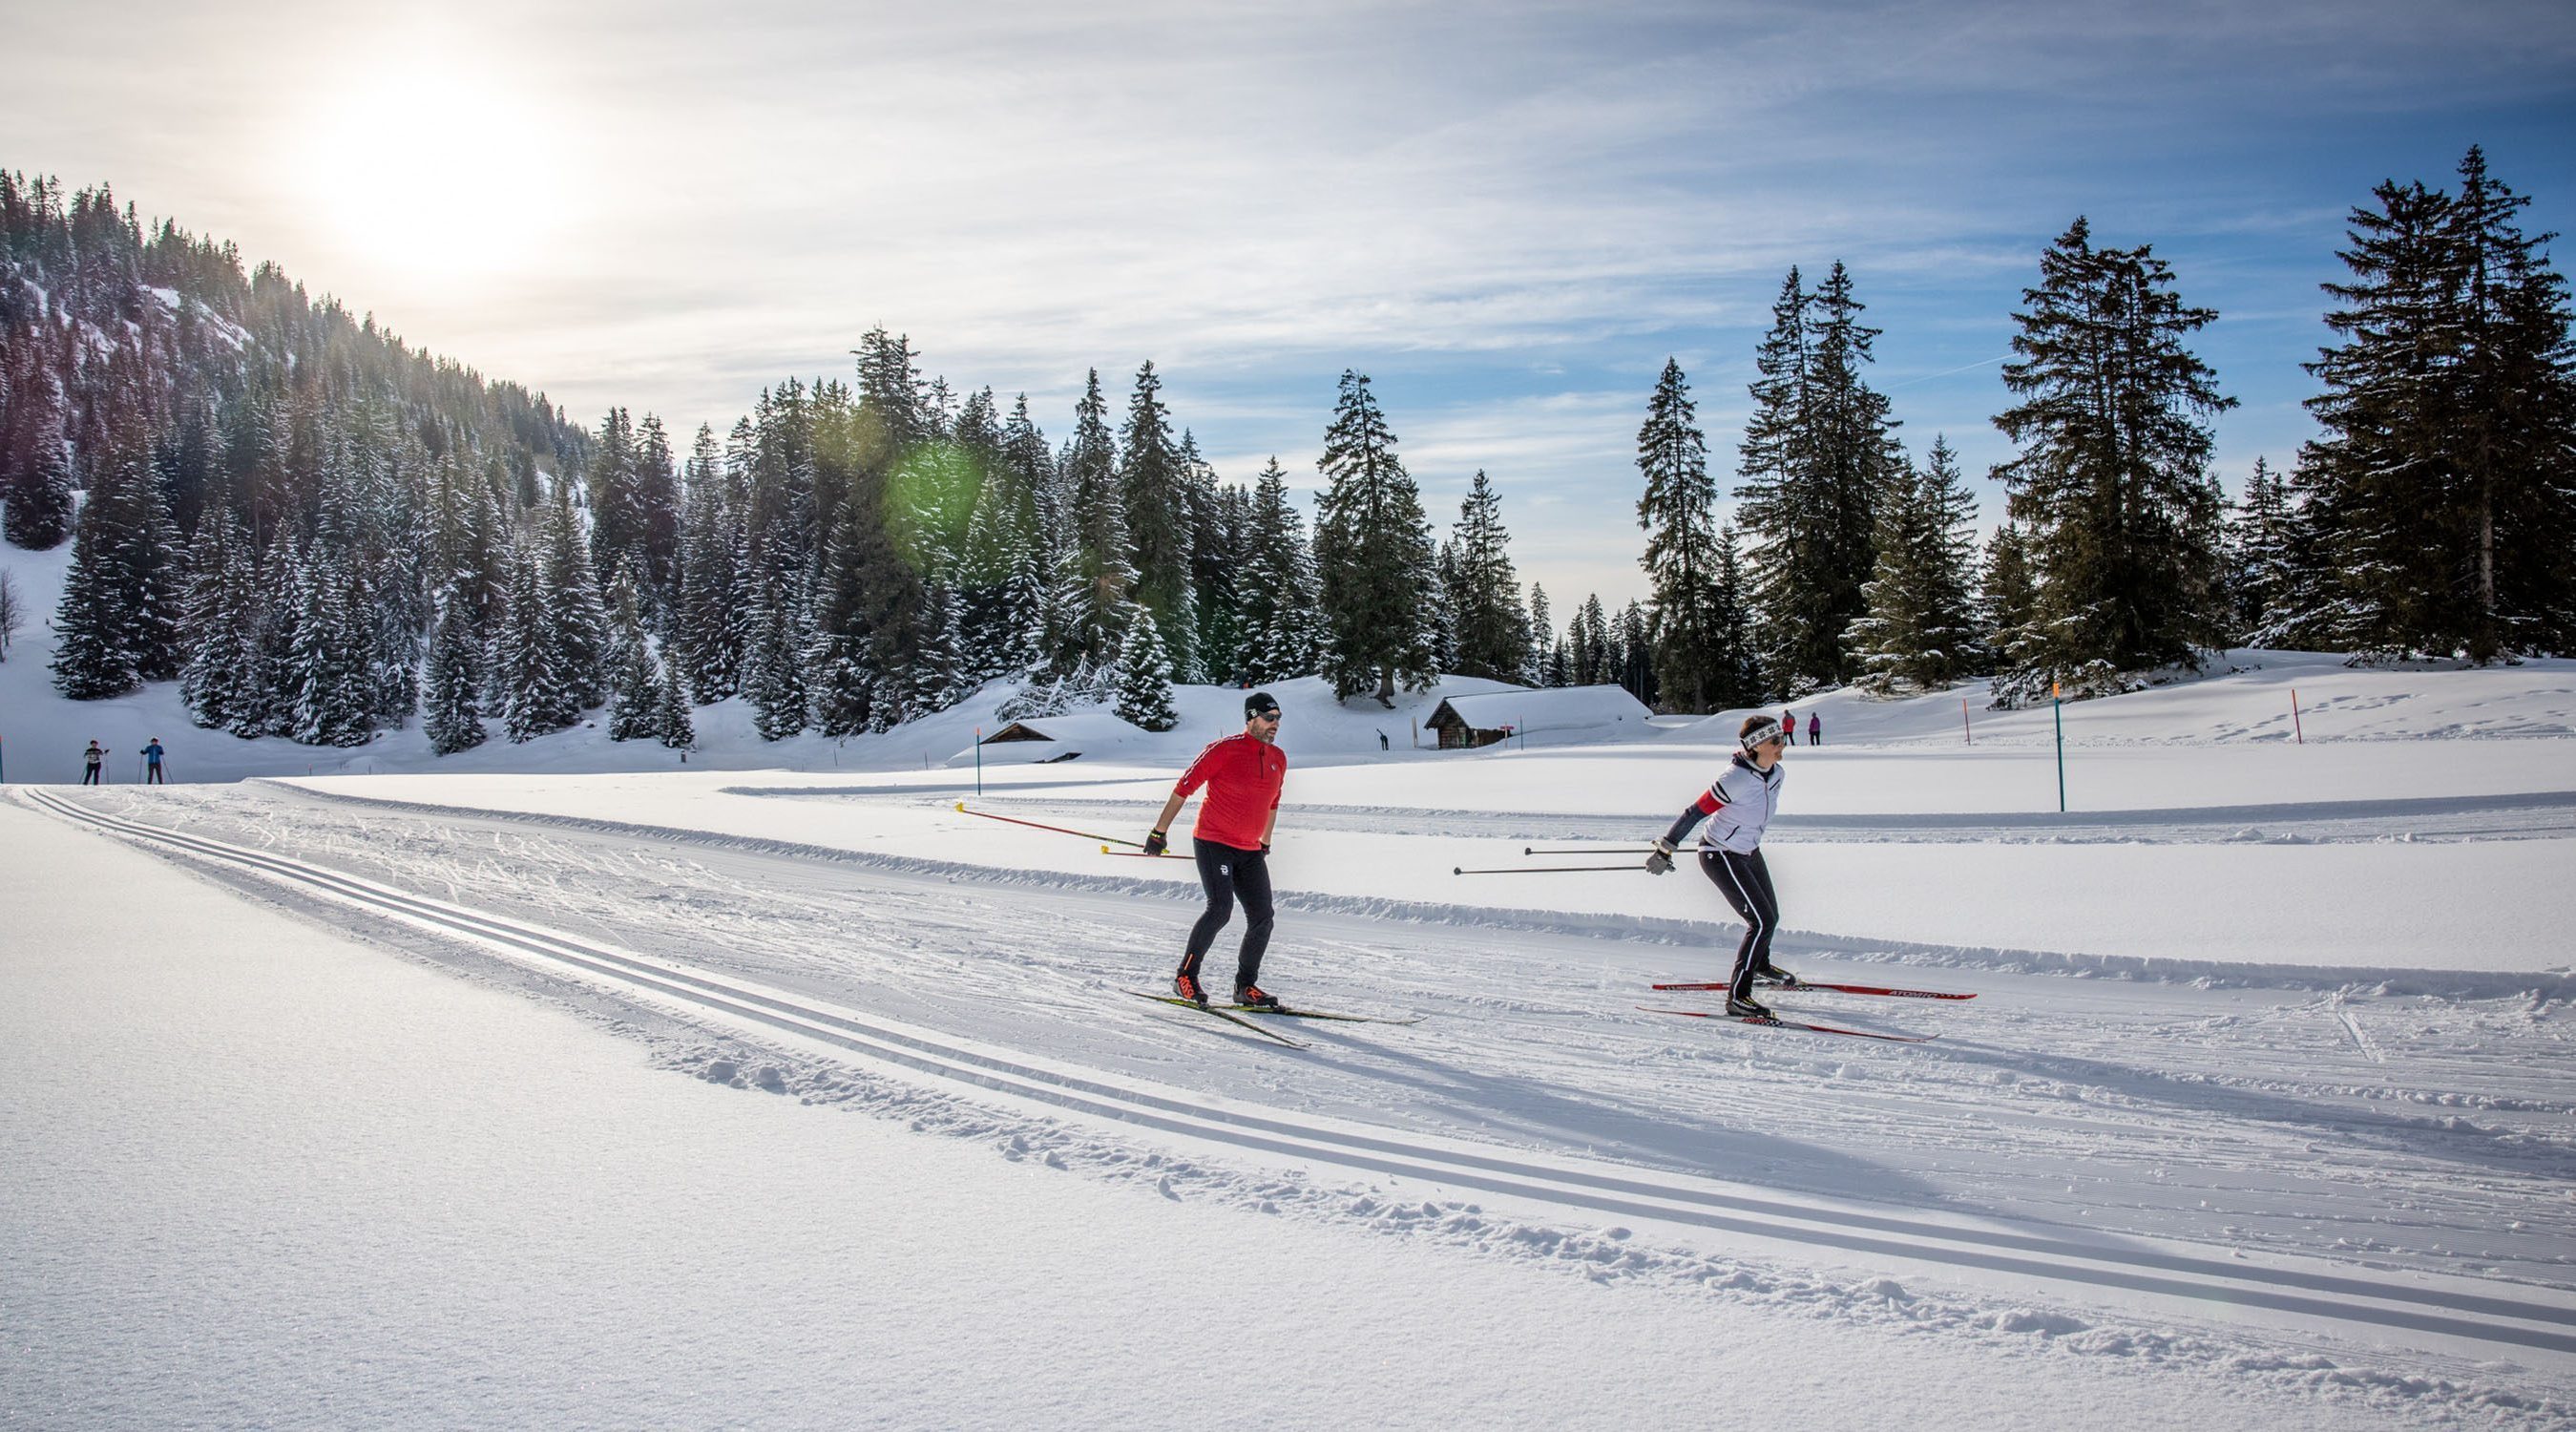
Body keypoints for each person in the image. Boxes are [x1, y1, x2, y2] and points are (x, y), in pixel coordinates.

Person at [1644, 713, 1796, 1018]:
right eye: (1776, 740)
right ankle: (1738, 997)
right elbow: (1694, 812)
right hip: (1720, 855)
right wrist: (1665, 849)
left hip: (1748, 851)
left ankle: (1761, 967)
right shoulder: (1736, 778)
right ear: (1756, 746)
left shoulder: (1776, 773)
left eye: (1782, 738)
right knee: (1761, 921)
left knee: (1771, 916)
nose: (1783, 745)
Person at [1146, 691, 1290, 1010]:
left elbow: (1273, 803)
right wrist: (1159, 832)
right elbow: (1184, 787)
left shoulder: (1279, 758)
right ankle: (1185, 976)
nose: (1275, 724)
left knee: (1263, 917)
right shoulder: (1223, 750)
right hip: (1214, 842)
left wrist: (1265, 840)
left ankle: (1245, 986)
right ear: (1251, 718)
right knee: (1220, 909)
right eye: (1269, 718)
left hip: (1250, 850)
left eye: (1279, 718)